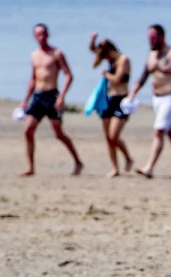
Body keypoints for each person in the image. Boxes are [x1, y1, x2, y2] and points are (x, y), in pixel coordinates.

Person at [17, 23, 83, 177]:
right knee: (28, 131)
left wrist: (61, 96)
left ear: (48, 35)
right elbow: (33, 78)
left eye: (44, 34)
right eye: (39, 34)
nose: (42, 37)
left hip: (52, 96)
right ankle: (30, 167)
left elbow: (69, 75)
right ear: (34, 37)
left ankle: (78, 162)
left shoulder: (56, 54)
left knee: (59, 134)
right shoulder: (34, 55)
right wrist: (25, 100)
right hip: (38, 96)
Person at [127, 25, 171, 179]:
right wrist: (132, 93)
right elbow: (144, 76)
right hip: (157, 98)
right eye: (149, 38)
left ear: (162, 37)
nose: (151, 40)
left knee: (159, 130)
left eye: (153, 37)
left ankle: (149, 167)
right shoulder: (151, 56)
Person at [89, 34, 134, 177]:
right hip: (108, 98)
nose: (106, 59)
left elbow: (118, 79)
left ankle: (128, 158)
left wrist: (106, 74)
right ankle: (115, 167)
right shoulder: (110, 59)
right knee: (108, 137)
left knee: (113, 135)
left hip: (121, 99)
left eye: (106, 56)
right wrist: (93, 40)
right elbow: (93, 50)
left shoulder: (123, 60)